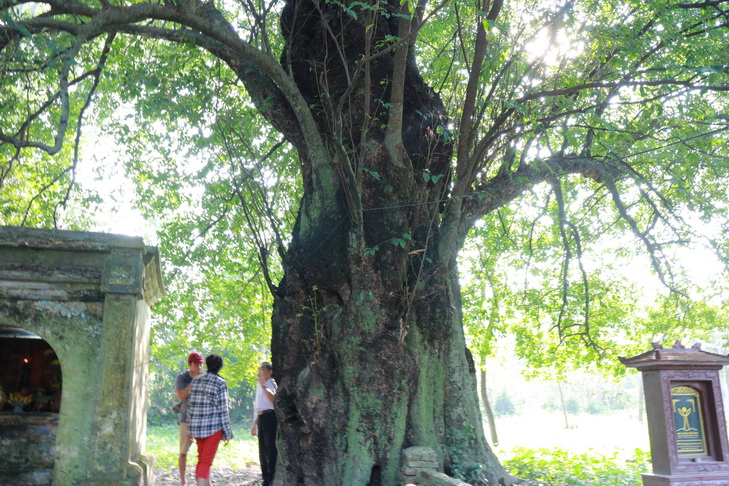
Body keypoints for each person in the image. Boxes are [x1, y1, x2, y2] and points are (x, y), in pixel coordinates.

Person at [187, 354, 233, 486]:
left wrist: (190, 429)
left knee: (201, 459)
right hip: (213, 428)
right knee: (206, 461)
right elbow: (223, 410)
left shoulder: (196, 380)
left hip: (197, 428)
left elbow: (191, 405)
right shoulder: (220, 383)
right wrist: (227, 433)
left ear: (206, 365)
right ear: (220, 367)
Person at [175, 351, 205, 485]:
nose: (199, 368)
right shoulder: (182, 378)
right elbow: (181, 396)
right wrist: (194, 381)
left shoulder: (205, 377)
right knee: (183, 451)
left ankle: (201, 479)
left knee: (204, 453)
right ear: (189, 364)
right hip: (186, 419)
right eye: (196, 365)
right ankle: (183, 481)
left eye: (200, 365)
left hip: (201, 421)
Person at [251, 361, 277, 486]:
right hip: (261, 417)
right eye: (259, 368)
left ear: (269, 372)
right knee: (262, 448)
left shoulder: (271, 384)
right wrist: (255, 424)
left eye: (262, 369)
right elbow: (259, 406)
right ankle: (265, 477)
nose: (259, 371)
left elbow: (273, 400)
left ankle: (271, 476)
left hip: (270, 417)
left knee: (270, 447)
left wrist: (264, 386)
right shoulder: (259, 385)